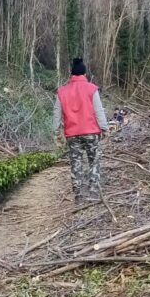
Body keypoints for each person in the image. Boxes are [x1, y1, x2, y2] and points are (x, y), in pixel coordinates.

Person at [53, 57, 109, 204]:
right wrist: (104, 128)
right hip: (91, 132)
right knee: (94, 161)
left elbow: (57, 114)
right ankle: (93, 193)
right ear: (84, 74)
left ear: (71, 74)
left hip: (72, 135)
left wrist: (56, 132)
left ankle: (79, 196)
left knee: (76, 164)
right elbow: (98, 111)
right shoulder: (92, 89)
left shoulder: (62, 91)